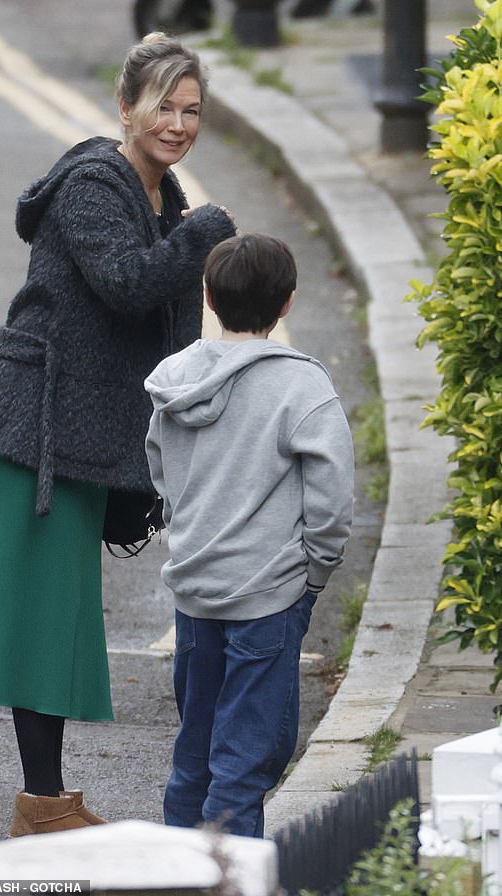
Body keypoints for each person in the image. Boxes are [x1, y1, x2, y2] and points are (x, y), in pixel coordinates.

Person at [0, 31, 236, 838]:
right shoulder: (93, 185)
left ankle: (46, 797)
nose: (179, 125)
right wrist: (202, 235)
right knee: (39, 621)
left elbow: (171, 330)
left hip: (85, 438)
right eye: (163, 107)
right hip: (33, 429)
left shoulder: (167, 198)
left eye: (191, 111)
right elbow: (124, 284)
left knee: (58, 620)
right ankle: (41, 804)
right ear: (125, 107)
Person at [144, 233, 354, 837]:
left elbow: (161, 473)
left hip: (194, 591)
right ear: (286, 303)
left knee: (196, 752)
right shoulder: (301, 386)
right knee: (245, 758)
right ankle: (228, 878)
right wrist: (314, 574)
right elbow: (331, 501)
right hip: (268, 595)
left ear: (207, 296)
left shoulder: (173, 379)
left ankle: (177, 873)